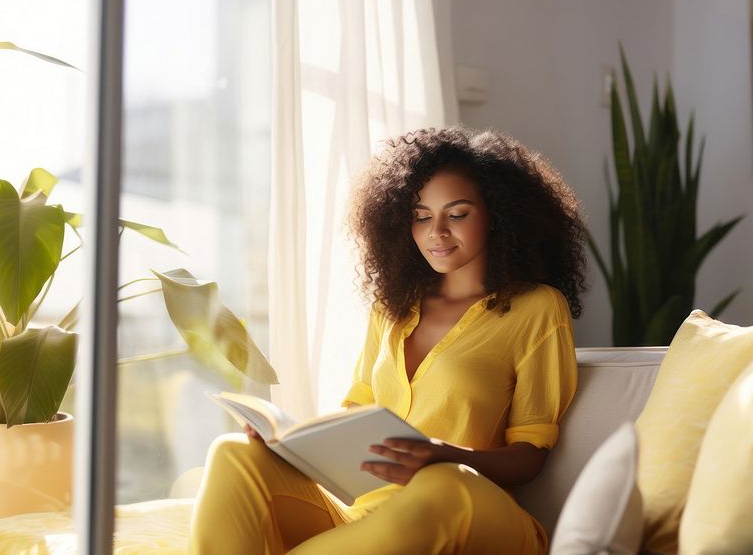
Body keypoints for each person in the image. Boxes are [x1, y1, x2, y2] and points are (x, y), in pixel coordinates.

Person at [188, 126, 588, 554]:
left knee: (442, 481)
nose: (436, 231)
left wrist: (445, 453)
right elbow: (356, 419)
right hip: (375, 515)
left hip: (471, 506)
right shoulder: (393, 308)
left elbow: (530, 455)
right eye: (420, 216)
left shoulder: (537, 308)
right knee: (234, 453)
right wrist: (286, 444)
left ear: (497, 216)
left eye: (457, 214)